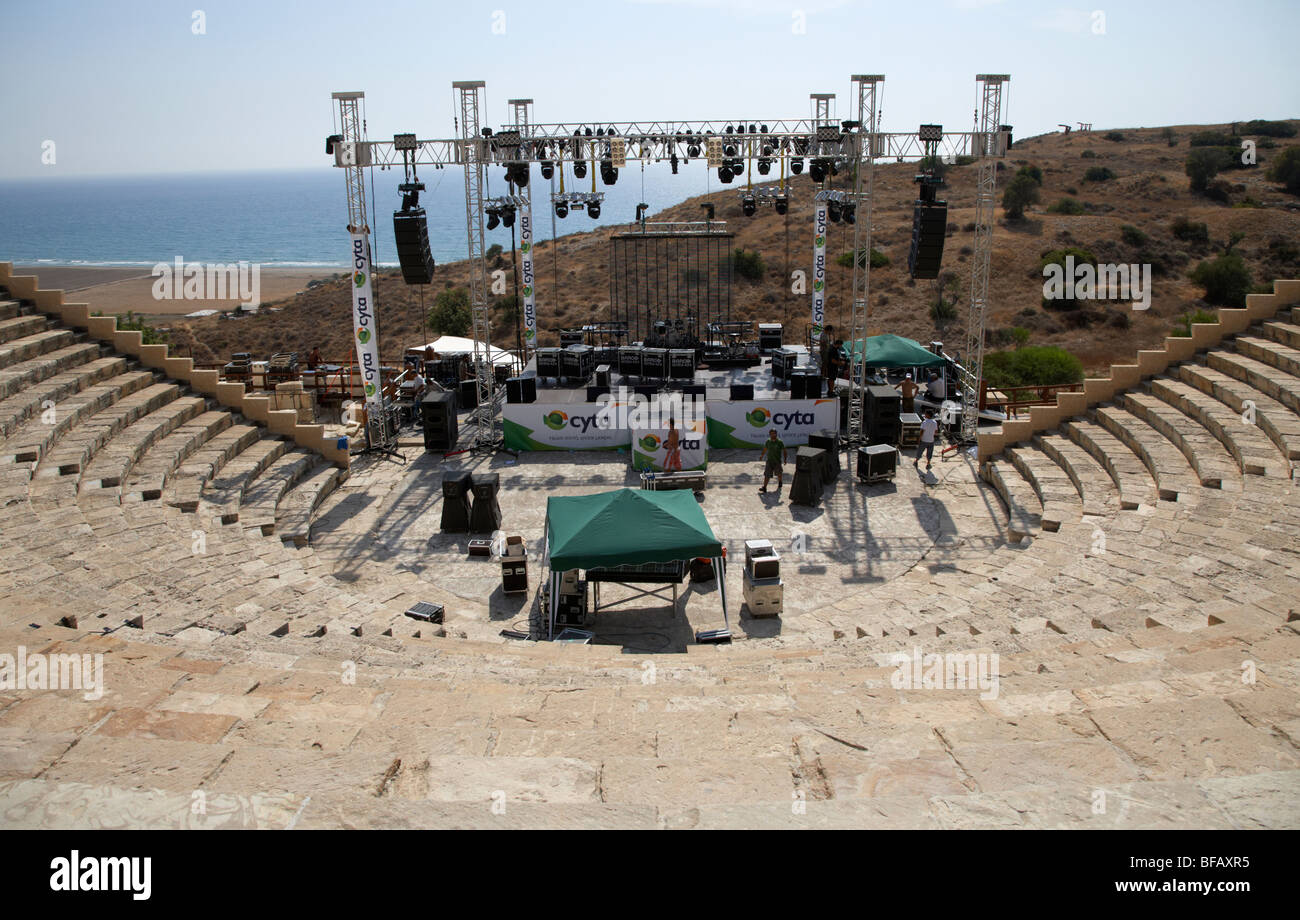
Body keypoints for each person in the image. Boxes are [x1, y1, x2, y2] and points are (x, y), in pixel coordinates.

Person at [758, 429, 788, 496]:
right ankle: (764, 487)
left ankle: (780, 481)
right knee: (767, 474)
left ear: (776, 434)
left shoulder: (780, 442)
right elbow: (765, 449)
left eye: (774, 433)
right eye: (771, 434)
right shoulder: (768, 441)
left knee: (779, 473)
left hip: (777, 461)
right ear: (769, 434)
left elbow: (784, 451)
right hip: (769, 461)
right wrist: (762, 455)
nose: (772, 435)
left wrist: (785, 459)